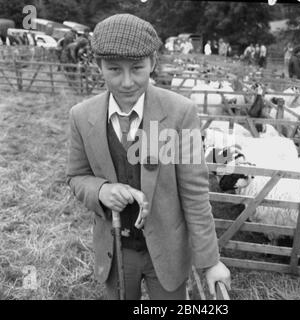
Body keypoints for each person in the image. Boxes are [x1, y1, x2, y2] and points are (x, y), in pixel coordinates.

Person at [66, 13, 231, 300]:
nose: (127, 82)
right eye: (114, 69)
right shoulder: (81, 116)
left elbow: (195, 191)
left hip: (167, 251)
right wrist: (101, 190)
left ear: (153, 63)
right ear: (98, 66)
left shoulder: (181, 113)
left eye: (138, 68)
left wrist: (210, 261)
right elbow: (76, 176)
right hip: (116, 249)